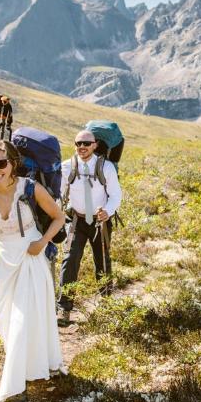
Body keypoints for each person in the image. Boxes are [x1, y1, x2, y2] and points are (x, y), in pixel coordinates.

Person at [0, 140, 65, 402]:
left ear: (13, 163)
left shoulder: (30, 189)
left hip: (30, 257)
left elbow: (59, 217)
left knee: (23, 319)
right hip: (3, 262)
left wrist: (42, 242)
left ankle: (14, 389)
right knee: (6, 321)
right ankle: (31, 366)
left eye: (1, 163)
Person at [57, 130, 122, 324]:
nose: (82, 147)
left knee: (102, 261)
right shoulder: (67, 167)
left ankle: (107, 303)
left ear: (95, 145)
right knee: (70, 260)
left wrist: (108, 211)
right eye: (78, 143)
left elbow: (116, 195)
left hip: (100, 222)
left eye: (86, 143)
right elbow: (58, 193)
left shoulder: (106, 167)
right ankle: (64, 308)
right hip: (76, 220)